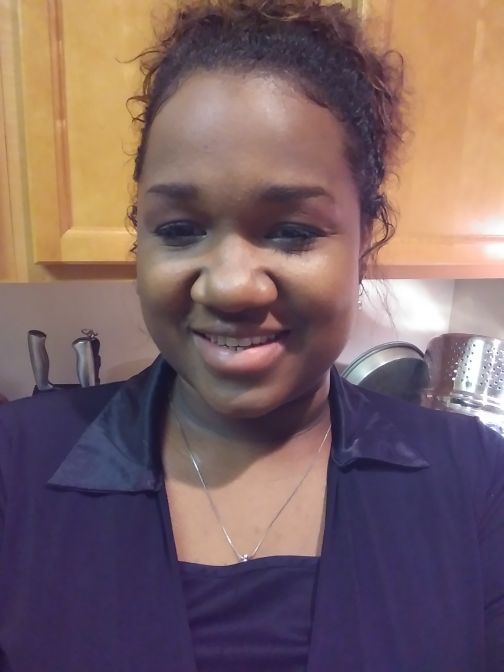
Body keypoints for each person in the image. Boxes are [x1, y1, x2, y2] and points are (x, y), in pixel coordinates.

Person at [0, 0, 503, 670]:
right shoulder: (15, 468)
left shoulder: (473, 481)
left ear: (365, 240)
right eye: (180, 229)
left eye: (291, 231)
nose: (232, 287)